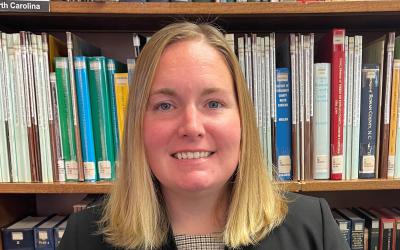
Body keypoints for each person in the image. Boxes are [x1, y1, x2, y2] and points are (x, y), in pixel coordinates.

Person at [58, 22, 350, 250]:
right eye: (165, 105)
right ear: (138, 126)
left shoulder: (313, 227)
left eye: (213, 103)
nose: (192, 126)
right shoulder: (83, 237)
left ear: (242, 121)